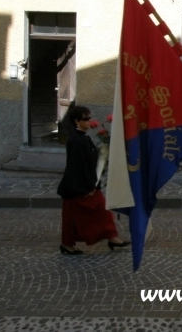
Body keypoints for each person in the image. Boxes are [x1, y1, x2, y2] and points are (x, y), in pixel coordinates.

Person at [57, 105, 130, 255]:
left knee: (100, 210)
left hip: (85, 184)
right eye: (86, 118)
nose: (90, 120)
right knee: (72, 217)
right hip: (77, 186)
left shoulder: (83, 137)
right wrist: (89, 186)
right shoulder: (76, 140)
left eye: (90, 117)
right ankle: (67, 245)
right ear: (77, 121)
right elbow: (77, 166)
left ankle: (112, 237)